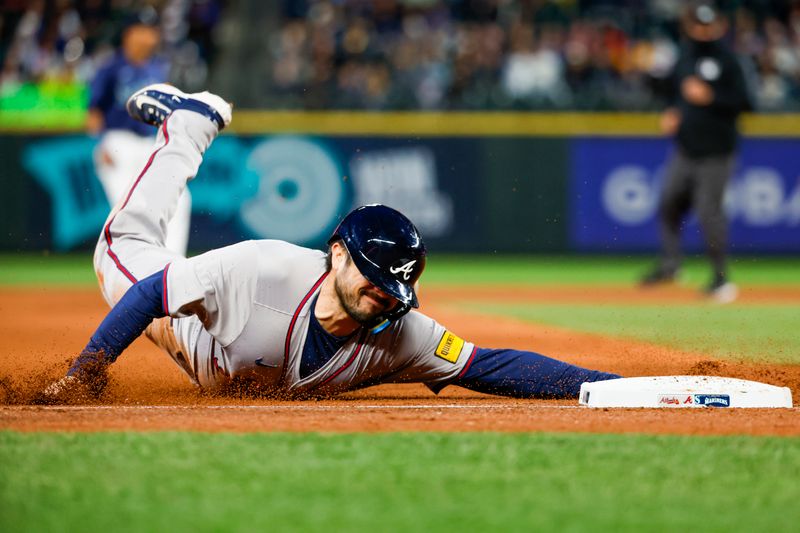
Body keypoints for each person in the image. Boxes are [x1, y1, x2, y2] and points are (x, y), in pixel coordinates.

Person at [39, 83, 620, 404]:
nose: (385, 295)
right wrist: (82, 377)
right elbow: (147, 295)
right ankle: (190, 123)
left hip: (220, 357)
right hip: (188, 328)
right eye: (375, 276)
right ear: (338, 252)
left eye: (398, 287)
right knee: (124, 239)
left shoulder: (400, 332)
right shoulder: (262, 268)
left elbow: (488, 365)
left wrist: (608, 388)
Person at [641, 1, 753, 303]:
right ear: (690, 27)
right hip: (686, 149)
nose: (703, 31)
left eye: (708, 25)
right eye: (698, 25)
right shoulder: (685, 56)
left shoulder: (729, 60)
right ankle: (671, 264)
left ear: (719, 26)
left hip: (717, 151)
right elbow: (670, 91)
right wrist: (670, 108)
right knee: (667, 203)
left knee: (708, 213)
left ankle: (721, 278)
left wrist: (711, 96)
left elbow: (746, 102)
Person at [87, 9, 191, 255]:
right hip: (117, 144)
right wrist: (100, 144)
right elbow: (93, 113)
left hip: (150, 145)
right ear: (129, 34)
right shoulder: (110, 67)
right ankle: (129, 274)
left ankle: (169, 267)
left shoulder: (159, 69)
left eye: (152, 31)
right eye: (143, 30)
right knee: (128, 212)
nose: (150, 37)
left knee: (180, 201)